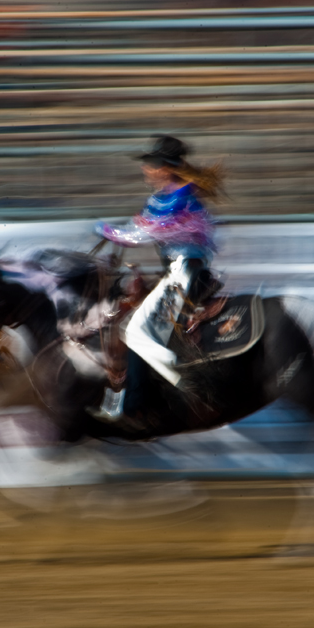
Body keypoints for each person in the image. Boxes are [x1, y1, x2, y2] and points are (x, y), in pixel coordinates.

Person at [93, 135, 223, 417]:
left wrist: (104, 230)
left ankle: (173, 387)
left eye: (150, 164)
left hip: (184, 273)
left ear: (164, 168)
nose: (145, 169)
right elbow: (139, 227)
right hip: (177, 271)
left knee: (134, 331)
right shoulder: (165, 197)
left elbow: (141, 233)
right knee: (129, 322)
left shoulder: (178, 197)